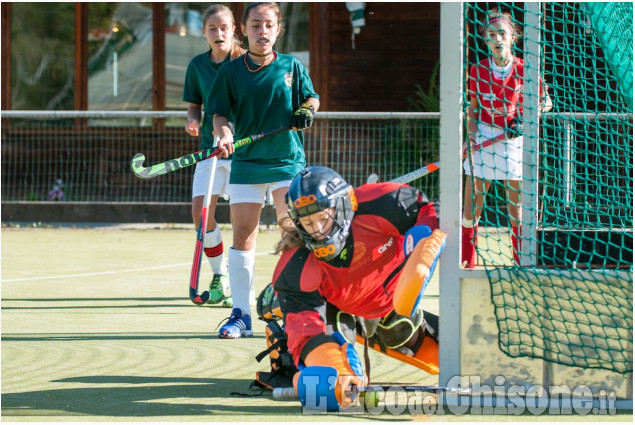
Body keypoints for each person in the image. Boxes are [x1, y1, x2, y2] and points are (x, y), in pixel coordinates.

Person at [268, 165, 447, 411]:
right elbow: (307, 331)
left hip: (388, 302)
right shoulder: (294, 267)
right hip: (333, 307)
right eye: (308, 223)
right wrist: (336, 372)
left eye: (323, 218)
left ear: (344, 205)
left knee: (400, 331)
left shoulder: (379, 202)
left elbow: (431, 210)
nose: (318, 231)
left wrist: (423, 241)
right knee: (329, 392)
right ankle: (276, 315)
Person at [206, 2, 320, 338]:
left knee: (293, 232)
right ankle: (240, 314)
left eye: (269, 25)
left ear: (278, 29)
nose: (263, 31)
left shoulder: (291, 66)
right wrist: (224, 135)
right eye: (255, 25)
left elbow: (312, 98)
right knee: (243, 236)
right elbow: (220, 115)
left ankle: (299, 311)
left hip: (286, 162)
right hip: (246, 165)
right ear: (244, 29)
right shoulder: (231, 71)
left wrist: (305, 110)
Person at [461, 9, 552, 268]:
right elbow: (474, 110)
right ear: (486, 39)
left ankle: (521, 263)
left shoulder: (526, 69)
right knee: (470, 213)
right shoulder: (477, 71)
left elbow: (546, 103)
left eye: (502, 33)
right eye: (492, 35)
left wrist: (525, 119)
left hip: (512, 143)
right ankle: (467, 265)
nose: (497, 39)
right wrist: (470, 138)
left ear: (513, 37)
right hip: (485, 141)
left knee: (516, 213)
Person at [183, 4, 246, 306]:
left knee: (240, 219)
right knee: (200, 213)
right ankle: (219, 276)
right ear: (203, 31)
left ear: (234, 29)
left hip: (243, 153)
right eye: (212, 28)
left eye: (224, 28)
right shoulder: (197, 65)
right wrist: (193, 121)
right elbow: (195, 102)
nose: (219, 33)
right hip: (210, 152)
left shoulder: (246, 62)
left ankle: (237, 279)